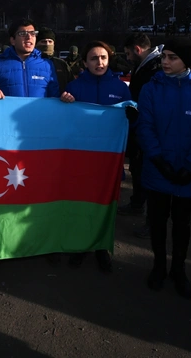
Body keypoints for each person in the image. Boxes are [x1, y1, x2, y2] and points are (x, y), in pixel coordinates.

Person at [136, 37, 191, 299]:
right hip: (158, 169)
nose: (165, 62)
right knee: (158, 221)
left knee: (182, 224)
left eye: (173, 57)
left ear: (186, 62)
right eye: (164, 57)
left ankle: (179, 269)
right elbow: (144, 126)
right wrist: (158, 159)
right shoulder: (151, 88)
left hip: (187, 172)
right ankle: (159, 266)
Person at [60, 41, 131, 274]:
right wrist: (65, 103)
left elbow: (130, 120)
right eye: (93, 58)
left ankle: (101, 248)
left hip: (109, 160)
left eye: (103, 58)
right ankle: (81, 246)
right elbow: (64, 121)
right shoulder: (74, 87)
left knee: (105, 205)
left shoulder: (120, 88)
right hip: (83, 159)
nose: (99, 62)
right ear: (84, 63)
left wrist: (133, 113)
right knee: (82, 204)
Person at [120, 33, 163, 233]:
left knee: (151, 173)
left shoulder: (156, 68)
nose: (127, 58)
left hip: (151, 129)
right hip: (140, 126)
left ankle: (152, 222)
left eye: (129, 53)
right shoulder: (146, 65)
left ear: (137, 50)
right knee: (137, 168)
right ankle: (137, 203)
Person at [0, 18, 59, 100]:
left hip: (39, 113)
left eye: (32, 33)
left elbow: (55, 97)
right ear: (13, 40)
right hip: (8, 113)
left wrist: (65, 98)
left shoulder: (47, 65)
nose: (29, 37)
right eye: (23, 34)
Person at [36, 27, 74, 93]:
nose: (47, 44)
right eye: (43, 41)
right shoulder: (31, 63)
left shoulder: (61, 64)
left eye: (50, 41)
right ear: (36, 44)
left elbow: (72, 85)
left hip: (59, 101)